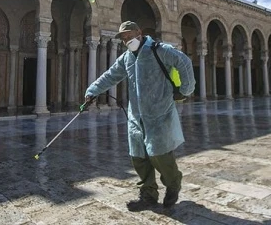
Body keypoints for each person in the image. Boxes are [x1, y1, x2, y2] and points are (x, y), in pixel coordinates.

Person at [84, 21, 196, 211]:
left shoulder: (159, 50)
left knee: (160, 154)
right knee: (139, 157)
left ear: (139, 32)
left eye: (129, 35)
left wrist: (186, 90)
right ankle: (148, 194)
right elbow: (111, 75)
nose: (127, 40)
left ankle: (173, 184)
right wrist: (93, 90)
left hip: (159, 113)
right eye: (124, 38)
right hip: (136, 116)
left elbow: (183, 61)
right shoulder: (127, 58)